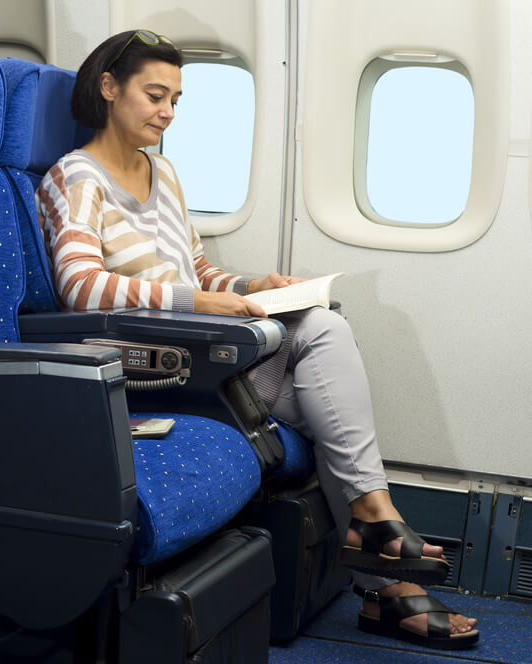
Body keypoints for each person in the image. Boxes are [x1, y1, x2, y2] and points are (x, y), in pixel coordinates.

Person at [36, 29, 479, 650]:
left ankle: (383, 567)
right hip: (157, 365)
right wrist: (198, 301)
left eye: (177, 100)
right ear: (108, 88)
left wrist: (254, 284)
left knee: (329, 376)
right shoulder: (75, 177)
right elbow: (80, 288)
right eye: (154, 95)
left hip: (209, 349)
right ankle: (385, 564)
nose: (167, 113)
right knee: (331, 377)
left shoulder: (164, 173)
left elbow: (197, 270)